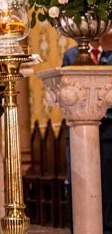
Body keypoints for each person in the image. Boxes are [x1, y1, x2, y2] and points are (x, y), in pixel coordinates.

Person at [62, 36, 112, 233]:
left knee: (107, 187)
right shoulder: (71, 55)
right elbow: (66, 92)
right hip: (79, 131)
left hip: (109, 133)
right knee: (78, 185)